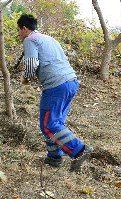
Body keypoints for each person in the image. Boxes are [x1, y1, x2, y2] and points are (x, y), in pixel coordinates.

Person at [17, 13, 93, 171]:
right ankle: (54, 158)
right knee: (56, 123)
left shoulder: (30, 40)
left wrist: (26, 78)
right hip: (71, 82)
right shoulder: (49, 39)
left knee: (48, 125)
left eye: (19, 30)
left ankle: (79, 150)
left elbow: (31, 64)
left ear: (24, 28)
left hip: (55, 85)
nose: (19, 34)